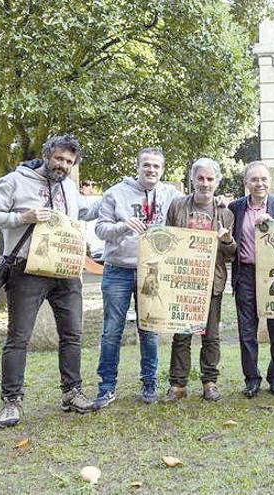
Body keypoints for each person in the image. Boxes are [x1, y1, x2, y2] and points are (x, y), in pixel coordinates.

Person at [0, 135, 100, 427]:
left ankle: (72, 393)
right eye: (59, 159)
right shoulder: (15, 181)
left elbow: (84, 211)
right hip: (26, 270)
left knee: (72, 334)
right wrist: (22, 218)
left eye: (69, 161)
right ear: (46, 155)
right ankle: (11, 402)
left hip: (65, 271)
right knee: (19, 337)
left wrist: (114, 199)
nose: (63, 165)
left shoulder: (69, 186)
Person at [93, 148, 182, 407]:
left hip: (152, 269)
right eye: (146, 165)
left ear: (162, 169)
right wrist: (122, 226)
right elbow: (100, 228)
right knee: (111, 331)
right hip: (119, 269)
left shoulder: (170, 195)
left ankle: (149, 384)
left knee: (150, 329)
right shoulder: (115, 193)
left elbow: (194, 206)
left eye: (156, 166)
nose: (151, 170)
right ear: (138, 166)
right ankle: (107, 386)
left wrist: (218, 201)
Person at [163, 158, 236, 402]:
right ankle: (178, 384)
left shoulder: (225, 212)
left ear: (217, 182)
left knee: (211, 336)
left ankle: (209, 382)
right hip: (184, 280)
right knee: (182, 334)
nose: (205, 183)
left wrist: (226, 241)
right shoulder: (177, 206)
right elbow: (167, 240)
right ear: (192, 179)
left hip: (212, 281)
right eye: (201, 178)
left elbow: (230, 254)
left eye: (210, 179)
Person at [229, 161, 274, 398]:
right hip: (245, 273)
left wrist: (273, 225)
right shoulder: (235, 208)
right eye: (254, 179)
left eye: (263, 179)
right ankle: (252, 379)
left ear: (269, 182)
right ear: (246, 183)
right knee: (247, 331)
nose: (259, 184)